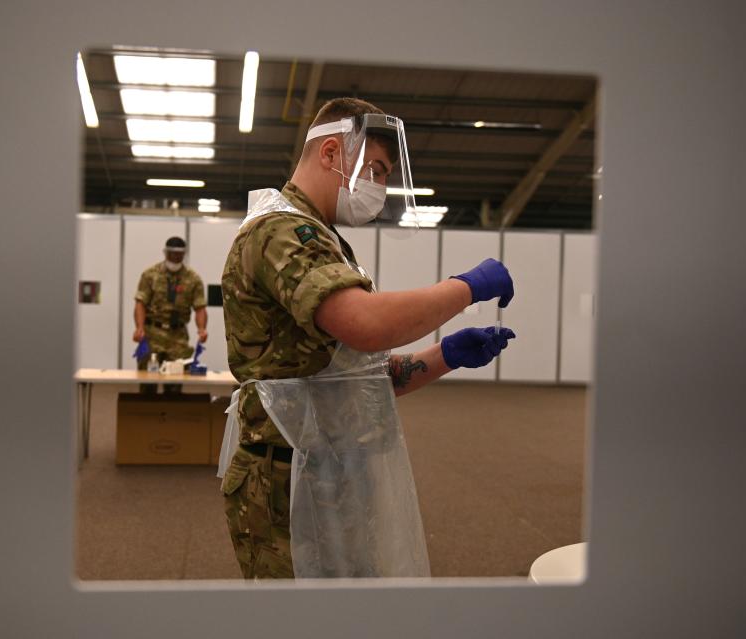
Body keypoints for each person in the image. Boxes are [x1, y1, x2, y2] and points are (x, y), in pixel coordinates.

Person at [219, 97, 516, 579]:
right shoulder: (281, 231)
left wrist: (444, 355)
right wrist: (465, 287)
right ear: (331, 153)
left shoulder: (323, 238)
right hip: (284, 481)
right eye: (375, 168)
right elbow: (366, 323)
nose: (379, 185)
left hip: (322, 471)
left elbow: (352, 378)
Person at [133, 236, 208, 393]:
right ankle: (145, 415)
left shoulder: (193, 279)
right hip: (152, 333)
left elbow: (200, 307)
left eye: (179, 254)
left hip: (177, 336)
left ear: (184, 254)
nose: (175, 257)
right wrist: (139, 327)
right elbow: (140, 303)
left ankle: (172, 416)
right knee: (147, 380)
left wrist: (202, 329)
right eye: (172, 253)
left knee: (175, 383)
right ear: (165, 253)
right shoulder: (150, 274)